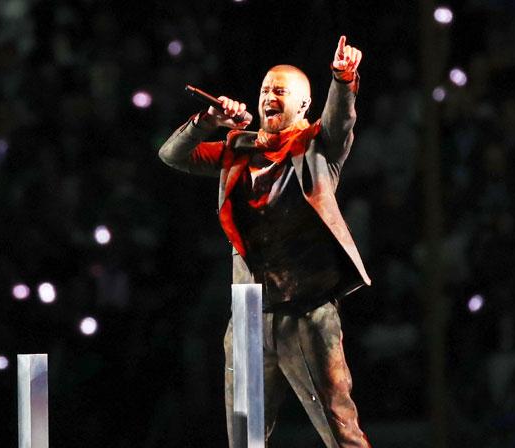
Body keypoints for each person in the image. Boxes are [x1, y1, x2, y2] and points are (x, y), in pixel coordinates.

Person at [159, 35, 371, 448]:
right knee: (245, 438)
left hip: (306, 313)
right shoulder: (238, 147)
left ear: (303, 105)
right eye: (264, 90)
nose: (268, 97)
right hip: (248, 317)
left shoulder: (317, 148)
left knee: (340, 429)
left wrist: (343, 79)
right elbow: (171, 155)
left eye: (280, 91)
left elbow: (340, 121)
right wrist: (207, 122)